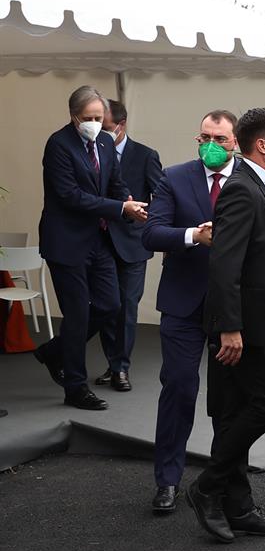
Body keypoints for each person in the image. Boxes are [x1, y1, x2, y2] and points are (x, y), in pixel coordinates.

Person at [185, 107, 265, 544]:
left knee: (234, 412)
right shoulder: (241, 190)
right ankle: (207, 487)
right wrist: (230, 328)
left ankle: (238, 505)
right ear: (263, 145)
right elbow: (224, 264)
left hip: (262, 322)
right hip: (243, 329)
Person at [142, 110, 239, 513]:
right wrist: (193, 236)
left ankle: (227, 481)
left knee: (230, 397)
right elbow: (151, 232)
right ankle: (167, 479)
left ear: (235, 142)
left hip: (231, 307)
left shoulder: (250, 179)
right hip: (183, 302)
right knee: (179, 388)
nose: (211, 146)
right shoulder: (175, 176)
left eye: (220, 139)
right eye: (204, 138)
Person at [34, 85, 148, 411]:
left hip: (98, 240)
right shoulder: (59, 145)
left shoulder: (105, 142)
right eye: (88, 118)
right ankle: (75, 387)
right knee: (77, 313)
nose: (95, 123)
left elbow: (115, 181)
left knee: (110, 305)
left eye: (100, 117)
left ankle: (54, 351)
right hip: (66, 241)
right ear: (73, 117)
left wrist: (127, 199)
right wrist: (119, 209)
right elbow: (71, 196)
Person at [95, 99, 163, 393]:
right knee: (105, 306)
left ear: (120, 126)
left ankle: (121, 367)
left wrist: (147, 225)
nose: (99, 131)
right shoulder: (92, 152)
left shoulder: (146, 155)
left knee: (127, 307)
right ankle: (113, 364)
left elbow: (160, 198)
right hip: (98, 243)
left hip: (132, 244)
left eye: (105, 126)